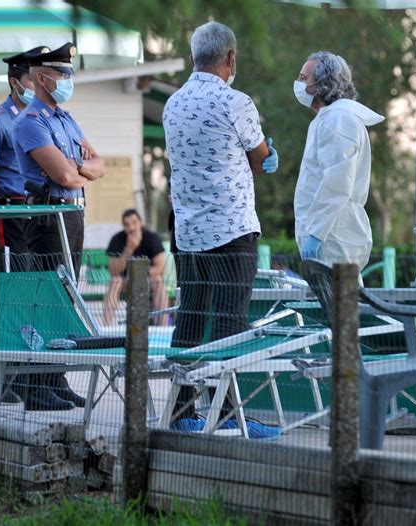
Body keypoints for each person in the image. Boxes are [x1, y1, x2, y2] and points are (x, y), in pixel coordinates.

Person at [163, 21, 278, 422]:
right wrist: (268, 155)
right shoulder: (236, 102)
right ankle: (228, 415)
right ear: (230, 58)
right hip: (231, 227)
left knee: (191, 316)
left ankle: (180, 411)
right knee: (230, 320)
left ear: (194, 57)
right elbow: (261, 159)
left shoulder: (172, 103)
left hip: (188, 229)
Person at [12, 42, 106, 411]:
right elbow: (64, 173)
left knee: (66, 299)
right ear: (40, 77)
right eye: (61, 73)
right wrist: (77, 168)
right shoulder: (30, 123)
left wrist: (76, 169)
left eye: (69, 72)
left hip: (72, 212)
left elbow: (99, 164)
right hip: (49, 217)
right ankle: (35, 384)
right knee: (46, 300)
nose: (67, 79)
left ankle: (56, 378)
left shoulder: (66, 120)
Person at [293, 51, 384, 271]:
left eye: (304, 78)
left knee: (342, 303)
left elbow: (337, 183)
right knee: (337, 303)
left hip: (333, 238)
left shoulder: (339, 119)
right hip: (329, 236)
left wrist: (316, 233)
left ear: (323, 83)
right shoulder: (327, 118)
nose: (298, 83)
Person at [0, 46, 47, 272]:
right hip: (9, 214)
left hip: (37, 214)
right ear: (16, 83)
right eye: (33, 80)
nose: (40, 86)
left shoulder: (41, 119)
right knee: (13, 284)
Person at [103, 209, 168, 326]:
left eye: (134, 222)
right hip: (124, 281)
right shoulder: (117, 239)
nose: (131, 227)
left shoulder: (152, 238)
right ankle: (106, 327)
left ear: (141, 222)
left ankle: (163, 325)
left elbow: (160, 267)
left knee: (158, 280)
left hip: (147, 279)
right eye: (127, 224)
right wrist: (129, 249)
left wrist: (138, 276)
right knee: (115, 280)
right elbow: (114, 271)